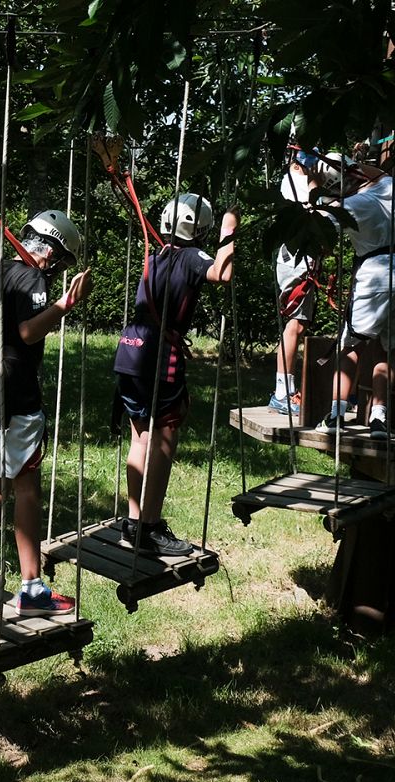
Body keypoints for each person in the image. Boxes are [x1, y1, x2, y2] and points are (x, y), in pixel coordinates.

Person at [0, 211, 91, 615]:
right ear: (49, 250)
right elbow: (30, 331)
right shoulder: (33, 278)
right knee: (26, 486)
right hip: (13, 389)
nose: (57, 269)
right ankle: (31, 589)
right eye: (61, 261)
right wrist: (66, 304)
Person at [115, 195, 237, 556]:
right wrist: (231, 227)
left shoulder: (156, 256)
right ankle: (149, 527)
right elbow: (222, 273)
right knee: (164, 440)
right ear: (199, 230)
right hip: (158, 356)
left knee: (141, 438)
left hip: (130, 349)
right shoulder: (191, 256)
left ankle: (134, 520)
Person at [309, 153, 395, 438]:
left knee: (351, 346)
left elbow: (314, 228)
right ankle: (379, 419)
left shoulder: (349, 207)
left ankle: (336, 416)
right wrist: (353, 164)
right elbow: (378, 175)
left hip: (376, 276)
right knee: (387, 349)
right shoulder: (392, 188)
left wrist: (313, 186)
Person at [269, 150, 322, 417]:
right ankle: (282, 392)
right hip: (296, 259)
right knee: (294, 324)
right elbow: (311, 211)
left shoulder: (297, 178)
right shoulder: (294, 181)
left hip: (301, 257)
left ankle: (284, 389)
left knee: (297, 326)